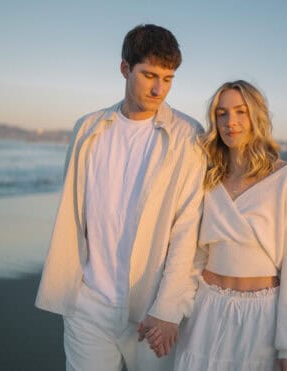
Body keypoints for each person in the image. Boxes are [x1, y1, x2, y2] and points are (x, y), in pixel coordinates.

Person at [35, 24, 206, 371]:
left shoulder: (188, 136)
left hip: (151, 307)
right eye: (149, 75)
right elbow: (74, 212)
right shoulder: (88, 128)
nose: (159, 88)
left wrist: (169, 309)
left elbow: (188, 228)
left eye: (168, 79)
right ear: (125, 69)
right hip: (88, 302)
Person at [148, 80, 287, 370]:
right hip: (206, 313)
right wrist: (172, 312)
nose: (230, 122)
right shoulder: (209, 177)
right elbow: (196, 257)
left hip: (261, 320)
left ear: (256, 117)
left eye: (240, 112)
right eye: (221, 113)